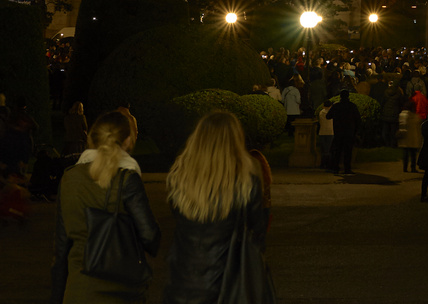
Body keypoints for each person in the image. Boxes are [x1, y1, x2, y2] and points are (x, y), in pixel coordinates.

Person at [50, 111, 161, 304]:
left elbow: (61, 249)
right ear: (126, 141)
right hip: (122, 291)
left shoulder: (69, 178)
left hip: (79, 290)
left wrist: (58, 296)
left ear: (92, 139)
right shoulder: (127, 179)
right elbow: (150, 237)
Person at [162, 111, 270, 304]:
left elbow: (178, 217)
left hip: (183, 277)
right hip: (228, 281)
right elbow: (257, 232)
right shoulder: (246, 184)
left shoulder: (179, 181)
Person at [327, 90, 362, 175]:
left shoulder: (336, 106)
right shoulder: (352, 106)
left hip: (338, 131)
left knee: (337, 150)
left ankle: (336, 168)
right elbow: (358, 119)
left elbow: (328, 116)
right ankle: (347, 168)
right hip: (349, 131)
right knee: (348, 151)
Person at [398, 98, 424, 173]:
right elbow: (418, 128)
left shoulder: (402, 115)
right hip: (413, 138)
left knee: (405, 154)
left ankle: (405, 168)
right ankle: (413, 168)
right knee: (413, 154)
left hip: (404, 137)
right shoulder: (415, 117)